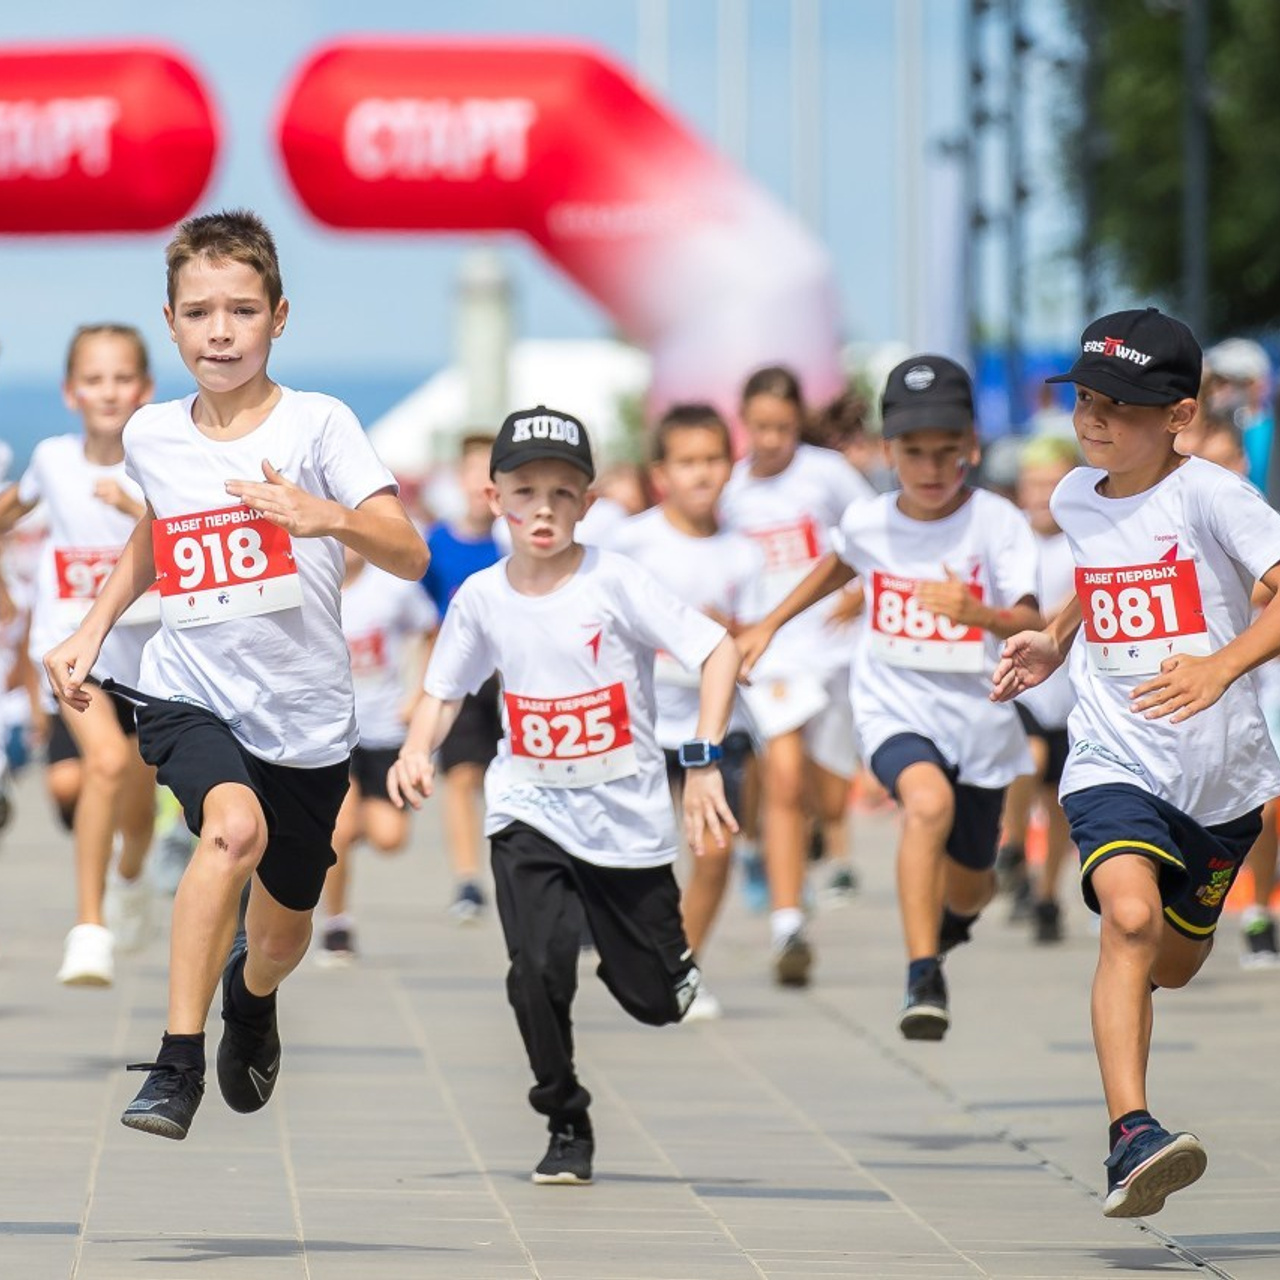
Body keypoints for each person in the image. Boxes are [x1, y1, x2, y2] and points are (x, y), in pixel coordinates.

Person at [44, 208, 428, 1140]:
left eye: (243, 311)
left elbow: (410, 552)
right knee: (229, 829)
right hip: (188, 693)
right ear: (171, 322)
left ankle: (249, 1002)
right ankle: (176, 1063)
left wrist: (323, 515)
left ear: (279, 317)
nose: (221, 331)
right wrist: (94, 627)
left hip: (304, 721)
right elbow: (159, 531)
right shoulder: (152, 435)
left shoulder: (320, 425)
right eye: (200, 312)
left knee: (284, 932)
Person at [388, 405, 740, 1186]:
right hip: (530, 808)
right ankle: (564, 1114)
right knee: (536, 969)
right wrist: (418, 748)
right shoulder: (480, 596)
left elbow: (718, 649)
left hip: (626, 820)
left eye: (560, 492)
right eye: (524, 491)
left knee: (657, 1002)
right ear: (494, 497)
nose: (541, 508)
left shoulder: (615, 581)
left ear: (587, 500)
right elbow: (444, 688)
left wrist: (705, 759)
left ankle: (642, 958)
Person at [992, 306, 1280, 1217]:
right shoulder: (1080, 494)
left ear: (1180, 417)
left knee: (1172, 960)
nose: (1092, 420)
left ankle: (1154, 970)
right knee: (1126, 919)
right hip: (1114, 757)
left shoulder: (1214, 499)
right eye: (1083, 399)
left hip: (1223, 780)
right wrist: (1056, 637)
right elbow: (1099, 567)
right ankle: (1131, 1136)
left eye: (1117, 405)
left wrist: (1221, 665)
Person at [740, 355, 1040, 1040]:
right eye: (912, 453)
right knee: (925, 803)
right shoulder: (872, 521)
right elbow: (835, 565)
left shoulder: (995, 524)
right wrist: (767, 625)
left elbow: (1031, 620)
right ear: (887, 451)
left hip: (979, 721)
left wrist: (977, 612)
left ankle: (948, 925)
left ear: (971, 444)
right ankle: (921, 974)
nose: (930, 469)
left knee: (972, 886)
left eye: (945, 453)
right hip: (893, 707)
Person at [0, 324, 160, 984]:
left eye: (122, 378)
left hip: (150, 654)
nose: (108, 391)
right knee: (105, 761)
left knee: (141, 807)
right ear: (70, 392)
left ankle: (129, 881)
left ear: (145, 390)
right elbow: (15, 506)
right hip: (71, 646)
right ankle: (89, 927)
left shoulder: (159, 461)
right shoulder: (54, 458)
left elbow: (188, 537)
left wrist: (135, 505)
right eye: (93, 380)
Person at [720, 366, 874, 986]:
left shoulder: (828, 474)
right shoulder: (733, 491)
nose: (772, 438)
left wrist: (860, 590)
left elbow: (877, 534)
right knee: (782, 778)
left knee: (829, 798)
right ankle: (788, 923)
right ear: (745, 423)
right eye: (760, 426)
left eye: (783, 426)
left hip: (834, 649)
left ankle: (805, 843)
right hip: (773, 654)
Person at [610, 403, 763, 1020]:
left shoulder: (743, 554)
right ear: (661, 473)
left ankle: (682, 969)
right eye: (688, 462)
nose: (703, 474)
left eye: (714, 460)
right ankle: (630, 946)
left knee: (715, 852)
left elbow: (752, 643)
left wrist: (734, 641)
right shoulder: (629, 542)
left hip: (714, 725)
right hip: (638, 726)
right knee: (637, 856)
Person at [317, 546, 437, 963]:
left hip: (386, 729)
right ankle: (337, 924)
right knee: (340, 829)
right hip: (333, 731)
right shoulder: (313, 580)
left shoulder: (393, 587)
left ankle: (333, 828)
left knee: (389, 839)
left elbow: (433, 632)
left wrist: (419, 695)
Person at [999, 435, 1081, 943]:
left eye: (1053, 485)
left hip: (1069, 689)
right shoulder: (1014, 541)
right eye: (1034, 485)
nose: (1042, 495)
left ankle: (1048, 893)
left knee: (1057, 802)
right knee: (1026, 756)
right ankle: (1009, 842)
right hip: (1024, 680)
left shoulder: (1084, 539)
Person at [420, 434, 503, 921]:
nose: (482, 481)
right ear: (460, 478)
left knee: (504, 777)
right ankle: (468, 879)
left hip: (512, 675)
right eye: (475, 471)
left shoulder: (512, 539)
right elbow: (423, 621)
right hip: (460, 675)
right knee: (460, 777)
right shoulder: (439, 544)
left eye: (492, 471)